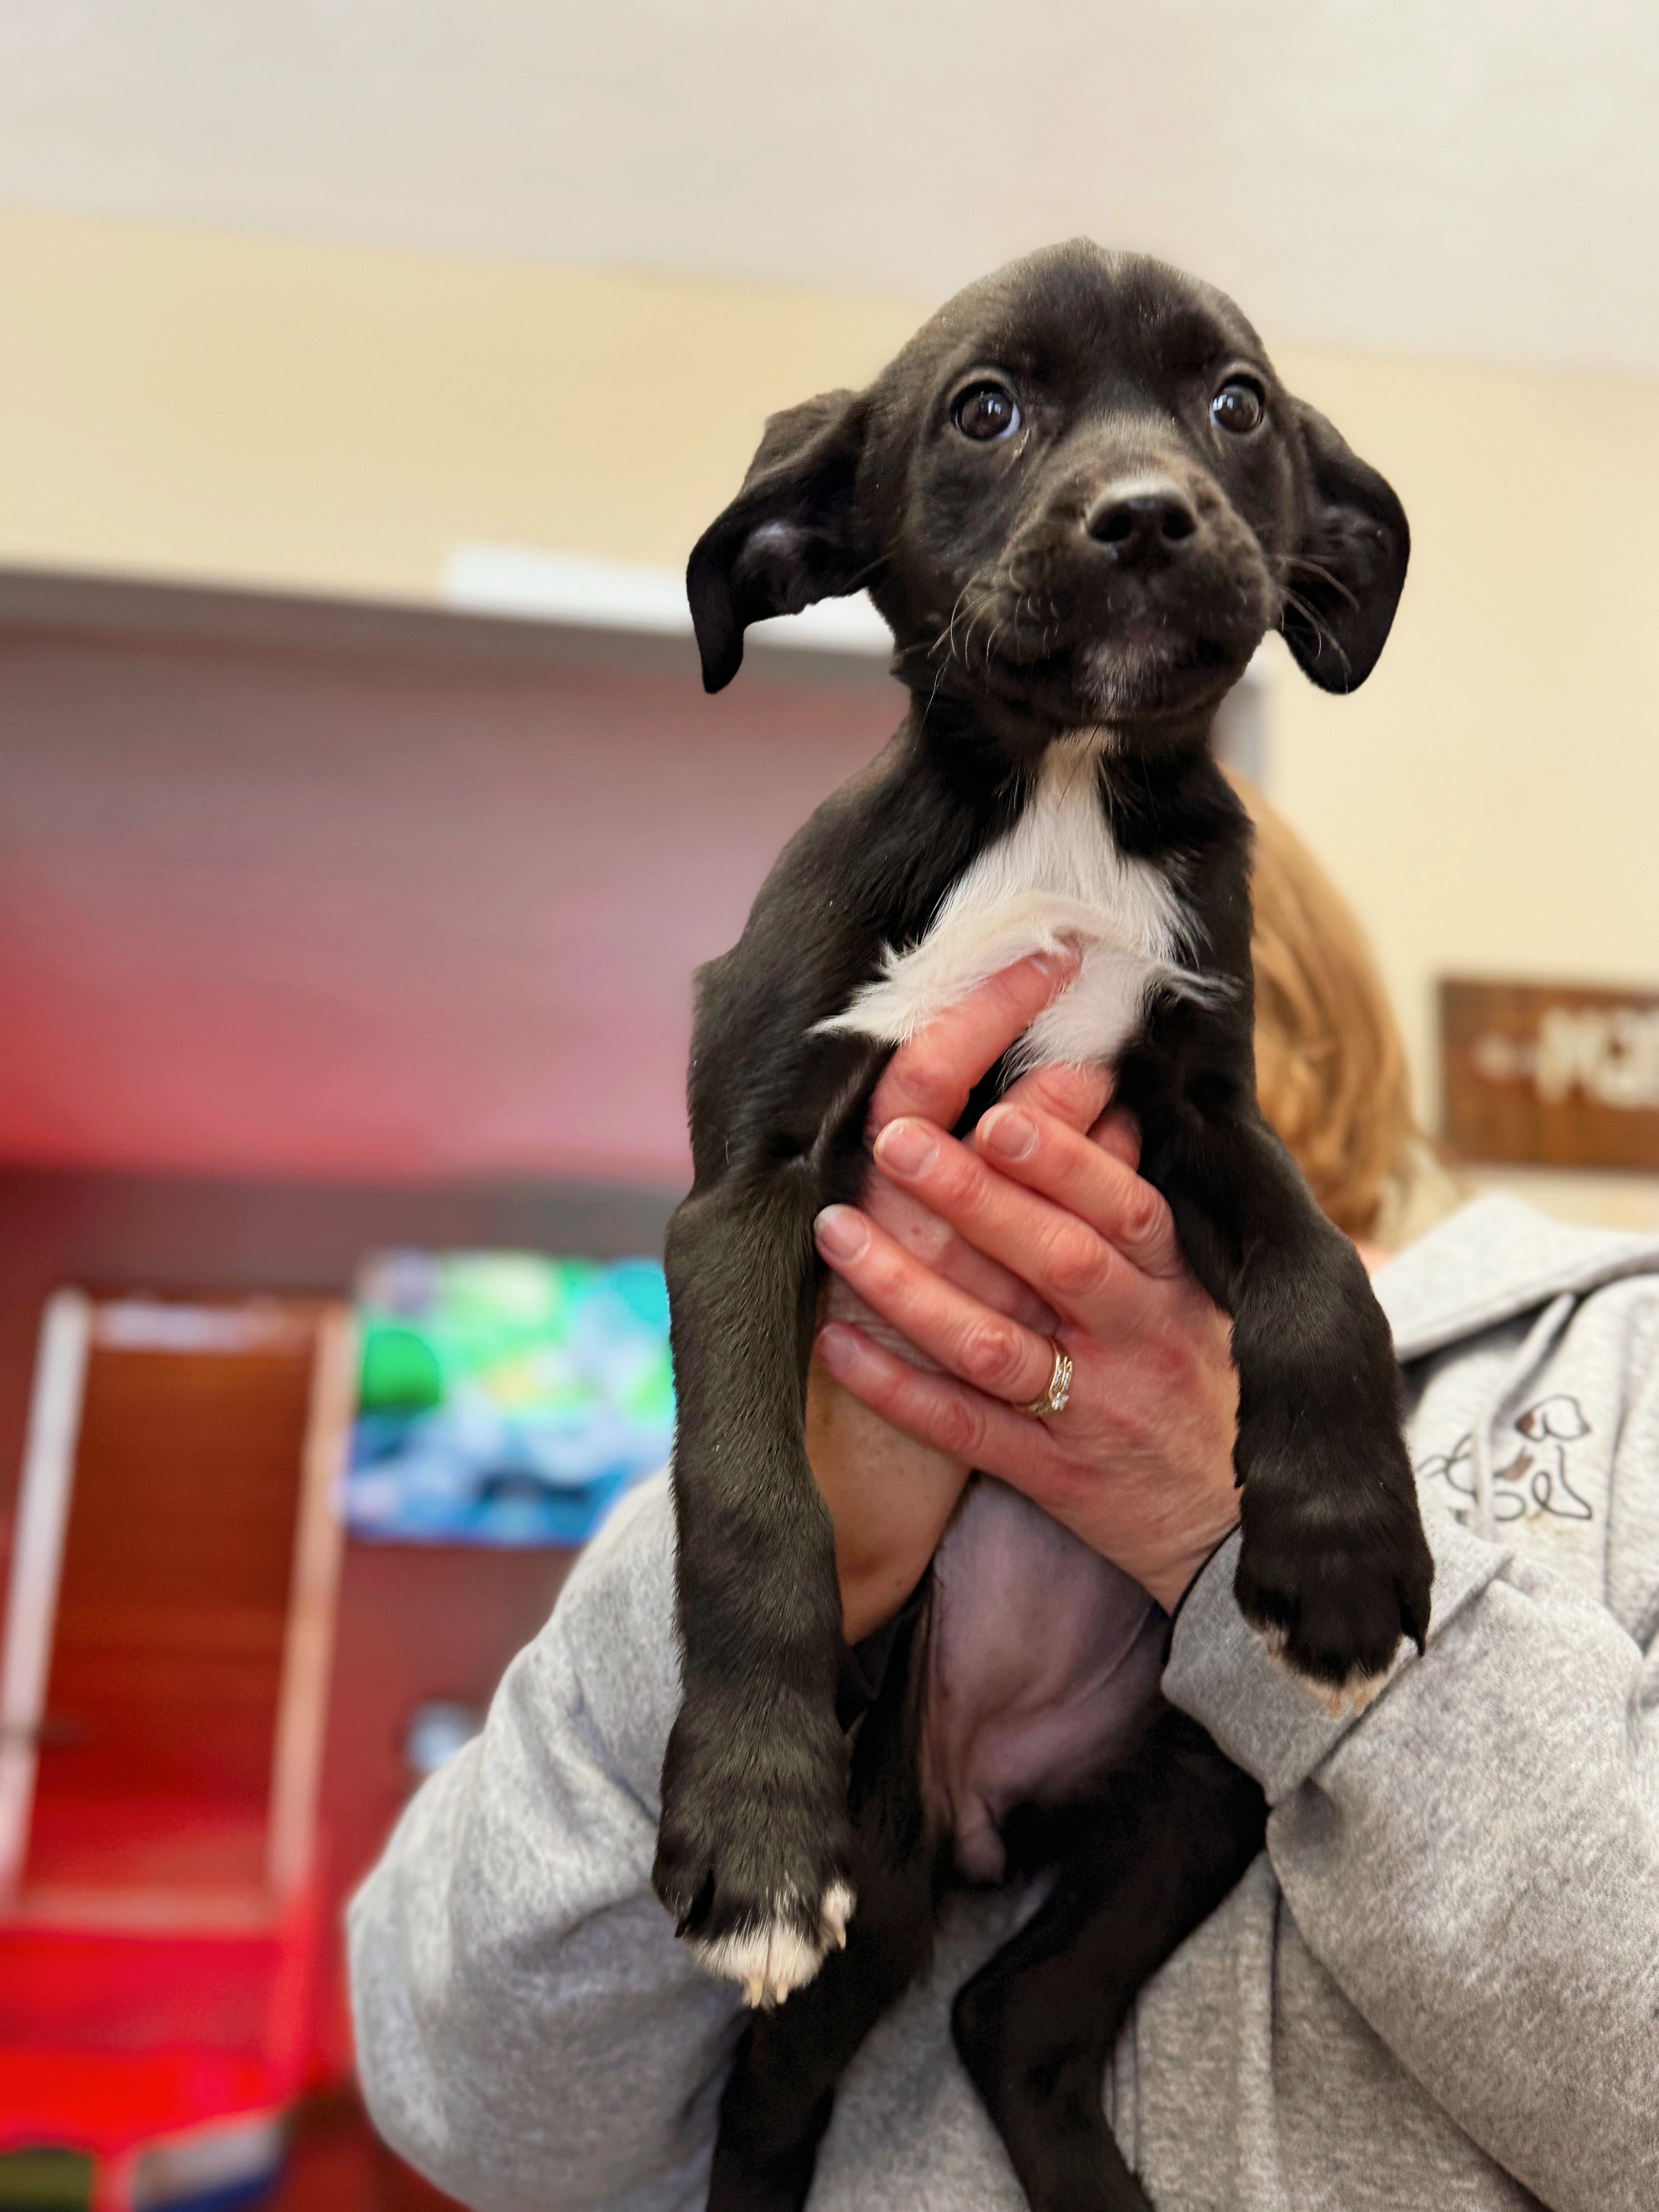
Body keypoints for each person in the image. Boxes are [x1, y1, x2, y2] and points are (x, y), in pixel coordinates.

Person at [348, 779, 1659, 2212]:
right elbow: (470, 2112)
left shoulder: (1611, 1359)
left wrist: (1230, 1526)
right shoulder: (781, 1415)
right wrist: (780, 1582)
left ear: (1271, 1014)